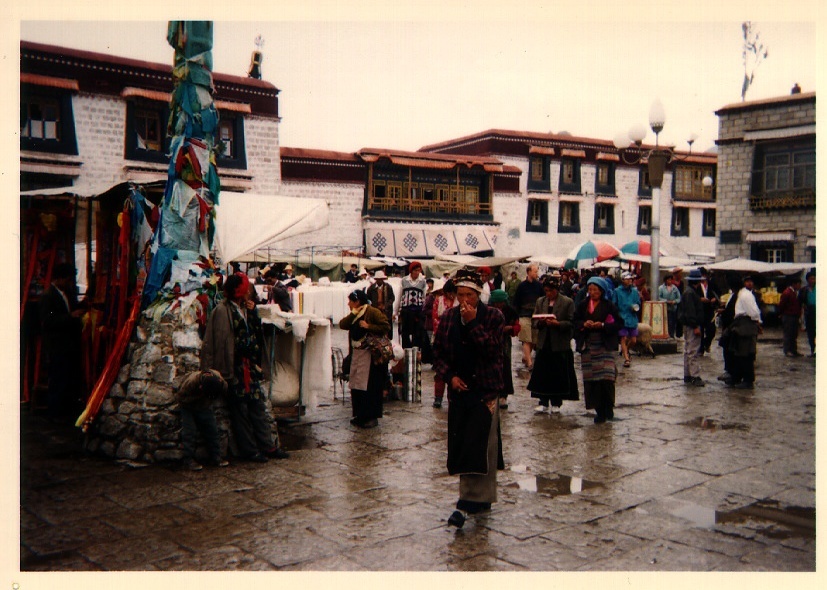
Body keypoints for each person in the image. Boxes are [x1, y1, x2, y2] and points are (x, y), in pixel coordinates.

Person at [432, 269, 505, 528]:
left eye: (470, 295)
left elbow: (494, 351)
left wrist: (474, 323)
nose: (464, 300)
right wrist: (449, 376)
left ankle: (465, 504)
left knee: (482, 444)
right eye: (460, 294)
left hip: (484, 389)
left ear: (478, 295)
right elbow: (438, 353)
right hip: (459, 391)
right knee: (464, 444)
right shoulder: (448, 318)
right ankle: (478, 498)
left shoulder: (494, 317)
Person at [201, 272, 289, 462]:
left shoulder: (246, 309)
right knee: (240, 412)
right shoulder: (221, 311)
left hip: (250, 368)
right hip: (234, 369)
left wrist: (253, 314)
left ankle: (268, 446)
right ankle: (250, 450)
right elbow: (212, 342)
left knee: (257, 408)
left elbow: (256, 333)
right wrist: (209, 369)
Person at [339, 289, 391, 428]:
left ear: (357, 301)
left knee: (370, 387)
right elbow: (343, 324)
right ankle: (360, 415)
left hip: (370, 356)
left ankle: (371, 417)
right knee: (357, 385)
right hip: (357, 354)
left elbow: (386, 326)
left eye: (351, 301)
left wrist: (369, 326)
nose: (349, 303)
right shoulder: (355, 313)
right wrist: (353, 314)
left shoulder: (372, 312)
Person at [40, 262, 85, 418]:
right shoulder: (49, 296)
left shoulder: (68, 294)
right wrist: (70, 317)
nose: (69, 282)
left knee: (67, 378)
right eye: (66, 279)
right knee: (57, 379)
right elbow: (48, 321)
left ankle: (65, 411)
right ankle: (55, 414)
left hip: (68, 344)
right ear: (59, 279)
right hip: (57, 344)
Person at [573, 277, 620, 423]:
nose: (592, 292)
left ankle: (608, 407)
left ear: (602, 291)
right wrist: (584, 324)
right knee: (592, 380)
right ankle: (599, 410)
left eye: (595, 290)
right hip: (588, 346)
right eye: (590, 289)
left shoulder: (609, 306)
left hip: (605, 346)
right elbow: (575, 321)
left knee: (607, 378)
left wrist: (603, 325)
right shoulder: (582, 305)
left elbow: (618, 323)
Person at [528, 278, 578, 413]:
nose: (548, 293)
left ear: (557, 290)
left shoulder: (567, 302)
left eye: (551, 291)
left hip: (559, 344)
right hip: (544, 343)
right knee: (543, 373)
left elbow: (572, 322)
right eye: (546, 291)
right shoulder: (541, 301)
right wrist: (542, 322)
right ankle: (543, 401)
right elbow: (534, 321)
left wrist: (558, 324)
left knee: (557, 374)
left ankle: (556, 402)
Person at [177, 369, 230, 470]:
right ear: (201, 387)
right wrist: (199, 395)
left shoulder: (220, 381)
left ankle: (216, 457)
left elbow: (225, 391)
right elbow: (181, 399)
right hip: (188, 406)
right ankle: (188, 460)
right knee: (189, 432)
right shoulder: (191, 382)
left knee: (212, 430)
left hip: (205, 407)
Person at [727, 275, 763, 389]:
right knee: (740, 353)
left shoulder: (745, 295)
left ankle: (747, 380)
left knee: (745, 354)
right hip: (743, 323)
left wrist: (758, 322)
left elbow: (753, 312)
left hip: (745, 324)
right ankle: (737, 377)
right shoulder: (744, 294)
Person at [488, 289, 520, 410]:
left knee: (505, 367)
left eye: (501, 302)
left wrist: (510, 328)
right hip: (490, 341)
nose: (499, 305)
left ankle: (503, 396)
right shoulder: (488, 311)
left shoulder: (510, 311)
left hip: (505, 343)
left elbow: (517, 326)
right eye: (497, 302)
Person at [430, 279, 459, 408]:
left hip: (456, 340)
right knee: (440, 371)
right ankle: (438, 397)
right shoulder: (439, 301)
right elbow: (435, 317)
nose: (451, 296)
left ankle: (452, 398)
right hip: (441, 338)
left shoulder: (459, 301)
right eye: (449, 293)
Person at [677, 269, 706, 387]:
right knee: (693, 351)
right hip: (692, 325)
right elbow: (690, 312)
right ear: (698, 281)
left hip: (688, 324)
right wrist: (695, 326)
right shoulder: (691, 293)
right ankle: (694, 375)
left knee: (688, 350)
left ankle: (688, 375)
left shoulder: (688, 292)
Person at [513, 263, 544, 370]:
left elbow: (543, 299)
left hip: (536, 316)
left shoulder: (539, 286)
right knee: (526, 339)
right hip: (524, 315)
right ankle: (530, 362)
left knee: (533, 340)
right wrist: (516, 316)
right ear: (529, 272)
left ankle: (526, 357)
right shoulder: (521, 286)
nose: (536, 274)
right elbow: (516, 301)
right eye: (535, 271)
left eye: (537, 271)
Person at [611, 272, 641, 368]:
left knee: (633, 340)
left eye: (630, 279)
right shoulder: (617, 291)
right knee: (623, 338)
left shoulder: (635, 291)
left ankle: (626, 351)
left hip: (632, 317)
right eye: (627, 279)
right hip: (622, 317)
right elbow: (614, 304)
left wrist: (636, 307)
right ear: (623, 280)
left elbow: (638, 303)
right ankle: (627, 359)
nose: (629, 281)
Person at [399, 261, 428, 349]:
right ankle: (405, 350)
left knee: (417, 332)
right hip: (406, 309)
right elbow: (400, 295)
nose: (417, 273)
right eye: (415, 270)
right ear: (411, 271)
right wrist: (397, 311)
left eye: (419, 271)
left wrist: (424, 310)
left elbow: (424, 296)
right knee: (405, 332)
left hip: (418, 310)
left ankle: (416, 351)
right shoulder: (404, 280)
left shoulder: (422, 282)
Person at [366, 270, 395, 339]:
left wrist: (386, 305)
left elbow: (392, 298)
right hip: (376, 310)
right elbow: (368, 299)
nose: (379, 281)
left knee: (387, 326)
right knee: (376, 326)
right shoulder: (371, 288)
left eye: (381, 279)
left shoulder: (388, 287)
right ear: (376, 279)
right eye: (378, 279)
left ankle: (388, 340)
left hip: (386, 311)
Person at [779, 276, 803, 357]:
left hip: (795, 316)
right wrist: (782, 313)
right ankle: (787, 350)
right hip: (788, 316)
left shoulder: (795, 292)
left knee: (794, 334)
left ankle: (793, 350)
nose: (799, 286)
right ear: (794, 284)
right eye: (799, 284)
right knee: (788, 334)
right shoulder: (787, 292)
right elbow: (782, 304)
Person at [698, 270, 719, 355]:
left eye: (704, 275)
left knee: (712, 329)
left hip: (710, 309)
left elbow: (718, 293)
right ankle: (701, 348)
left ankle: (707, 343)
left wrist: (715, 299)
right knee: (701, 330)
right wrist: (700, 299)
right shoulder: (697, 285)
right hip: (700, 310)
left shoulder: (711, 284)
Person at [798, 271, 816, 356]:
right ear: (808, 280)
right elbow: (800, 301)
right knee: (811, 332)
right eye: (811, 279)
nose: (813, 280)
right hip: (809, 312)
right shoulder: (804, 290)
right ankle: (813, 350)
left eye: (814, 278)